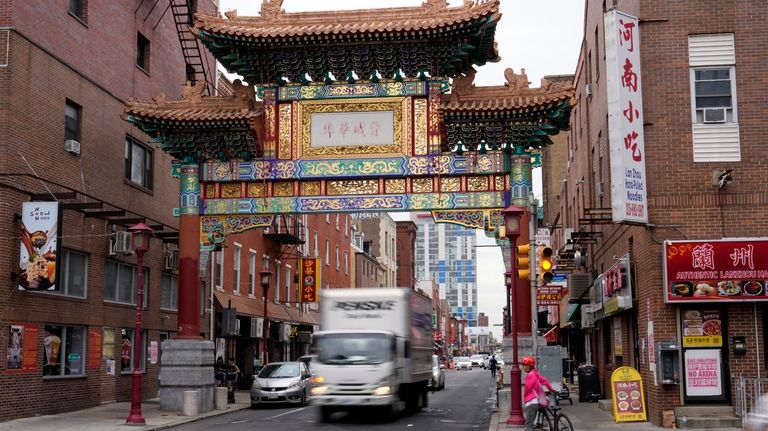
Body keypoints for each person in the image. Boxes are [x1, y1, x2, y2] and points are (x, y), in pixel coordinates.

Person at [521, 356, 555, 431]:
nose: (524, 367)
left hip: (531, 402)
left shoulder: (530, 375)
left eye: (526, 365)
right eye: (523, 365)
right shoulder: (535, 373)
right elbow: (545, 381)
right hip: (539, 401)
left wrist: (525, 399)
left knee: (528, 425)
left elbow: (527, 389)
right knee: (539, 421)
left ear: (530, 366)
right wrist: (552, 390)